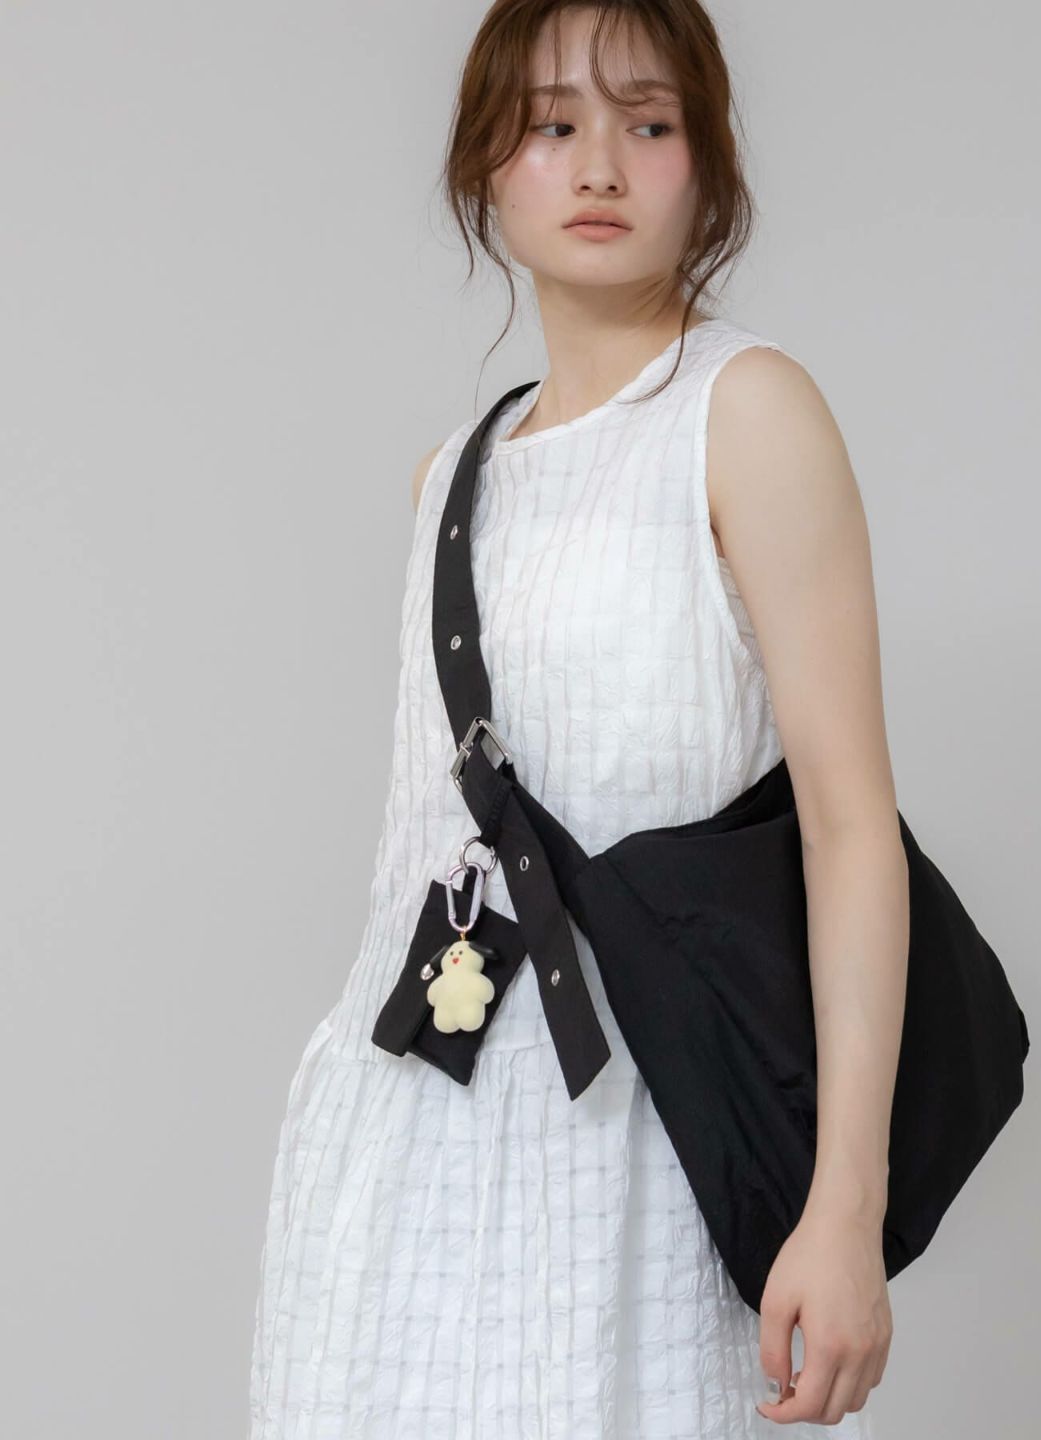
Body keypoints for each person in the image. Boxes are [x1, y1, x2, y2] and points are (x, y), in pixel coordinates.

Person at [248, 3, 908, 1436]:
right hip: (405, 1139)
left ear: (706, 163)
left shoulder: (748, 416)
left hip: (641, 1151)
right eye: (553, 124)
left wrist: (845, 1209)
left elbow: (853, 831)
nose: (600, 163)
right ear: (485, 164)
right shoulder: (448, 477)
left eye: (647, 123)